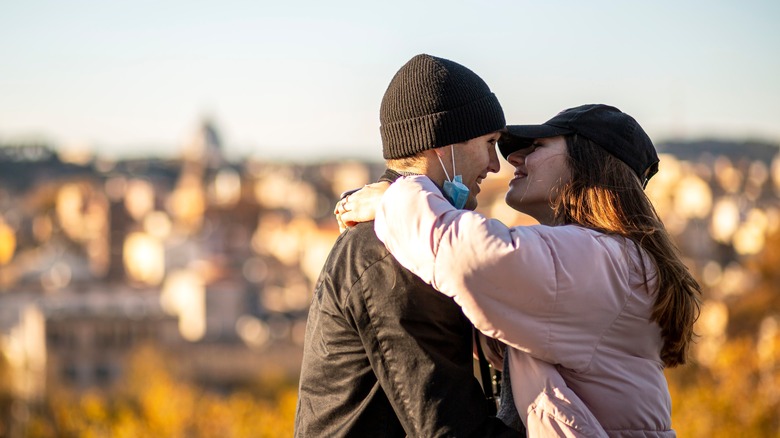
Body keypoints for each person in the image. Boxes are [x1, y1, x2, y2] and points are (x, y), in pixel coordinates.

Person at [339, 104, 702, 437]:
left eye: (535, 147)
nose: (513, 158)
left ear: (587, 161)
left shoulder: (602, 260)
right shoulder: (614, 261)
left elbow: (470, 257)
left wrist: (396, 198)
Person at [294, 53, 519, 437]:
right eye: (490, 142)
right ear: (441, 144)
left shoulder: (395, 238)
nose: (496, 165)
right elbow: (449, 428)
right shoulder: (395, 255)